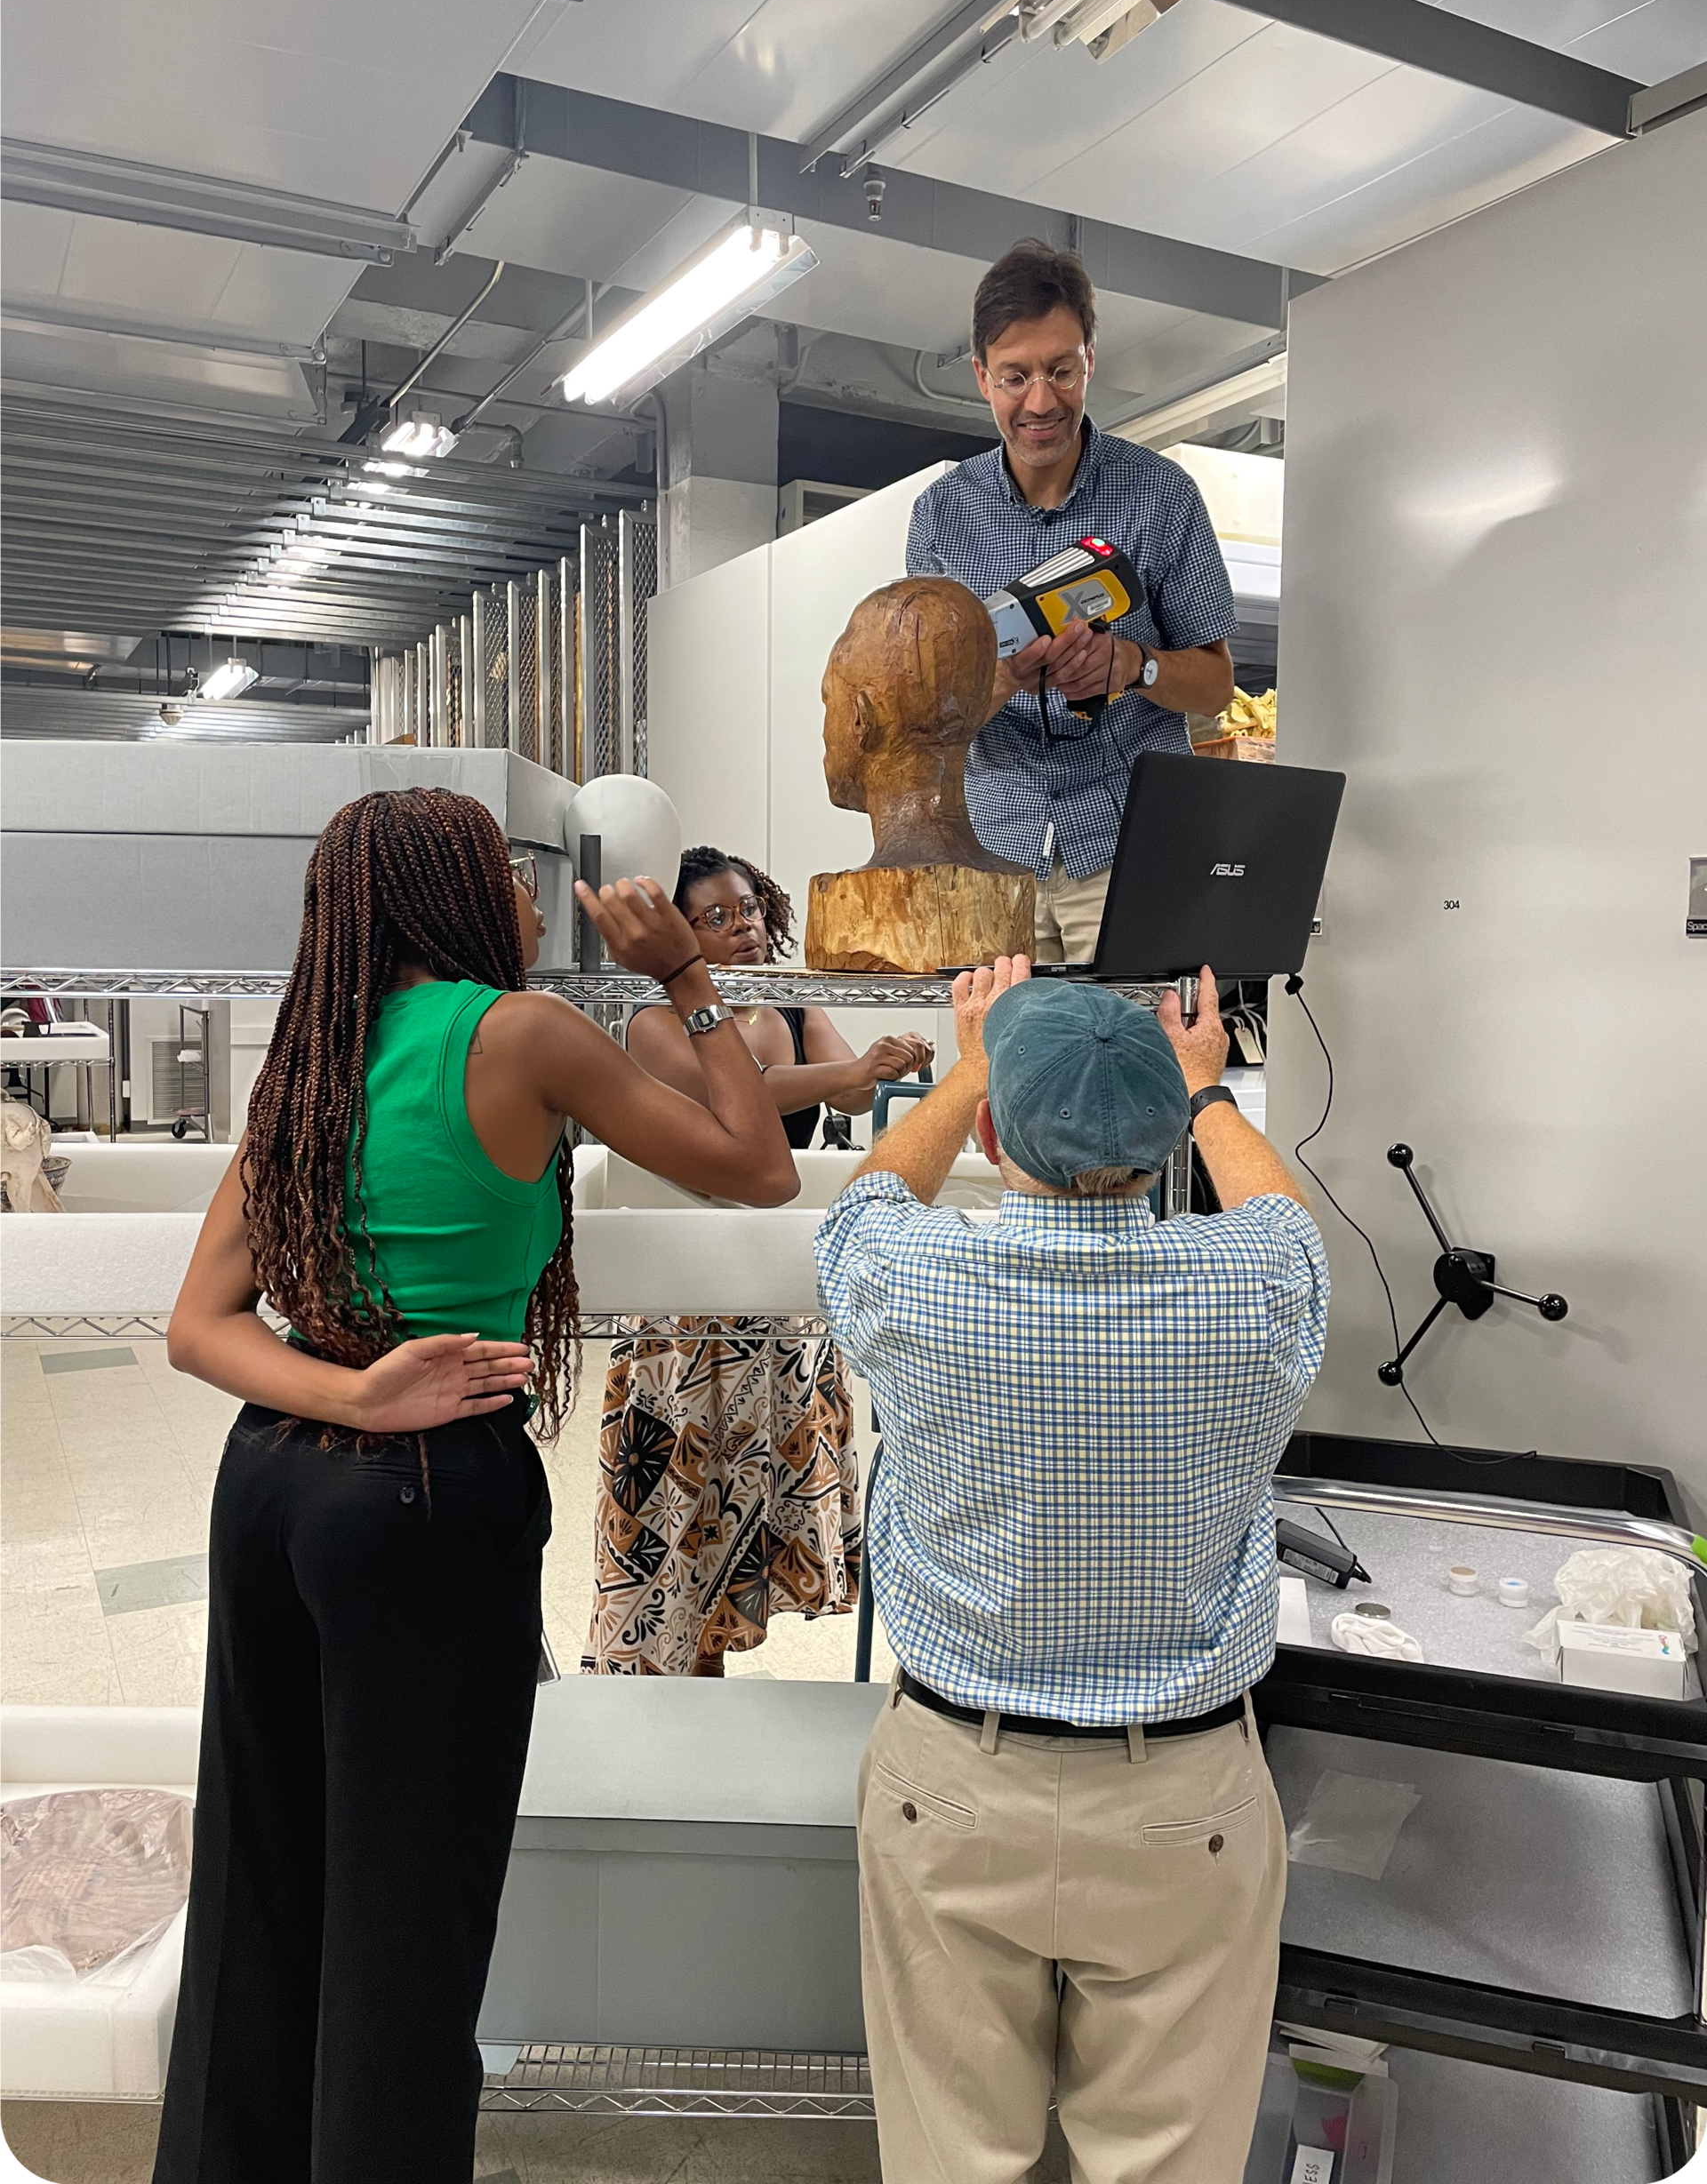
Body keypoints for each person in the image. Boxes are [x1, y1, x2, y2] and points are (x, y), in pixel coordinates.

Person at [153, 788, 795, 2184]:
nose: (527, 892)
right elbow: (756, 1165)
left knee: (260, 1871)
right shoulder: (517, 1034)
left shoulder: (312, 1055)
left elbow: (200, 1327)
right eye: (504, 870)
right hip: (423, 1498)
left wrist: (342, 1389)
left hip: (268, 1485)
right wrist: (687, 976)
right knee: (407, 1915)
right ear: (447, 890)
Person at [814, 960, 1328, 2184]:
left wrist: (973, 1067)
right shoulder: (1256, 1285)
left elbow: (868, 1197)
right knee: (1169, 2160)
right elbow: (1282, 1215)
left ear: (995, 1132)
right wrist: (1208, 1093)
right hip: (1182, 1794)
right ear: (1167, 1143)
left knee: (950, 2158)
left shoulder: (911, 1280)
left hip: (952, 1784)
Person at [584, 844, 931, 1676]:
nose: (743, 929)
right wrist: (847, 1071)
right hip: (688, 1311)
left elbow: (846, 1090)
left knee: (746, 1534)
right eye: (716, 917)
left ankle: (712, 1696)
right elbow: (729, 1096)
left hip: (777, 1310)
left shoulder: (792, 1006)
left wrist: (877, 1067)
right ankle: (675, 1705)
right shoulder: (652, 1022)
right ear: (676, 931)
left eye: (749, 911)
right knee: (681, 1531)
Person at [906, 239, 1238, 964]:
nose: (1040, 401)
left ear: (1090, 360)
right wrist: (1000, 681)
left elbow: (1216, 683)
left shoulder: (1162, 495)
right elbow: (930, 720)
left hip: (1132, 846)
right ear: (980, 377)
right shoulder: (940, 517)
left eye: (1061, 370)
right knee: (1003, 1073)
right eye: (1014, 376)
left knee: (1139, 1067)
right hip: (994, 853)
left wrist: (1132, 664)